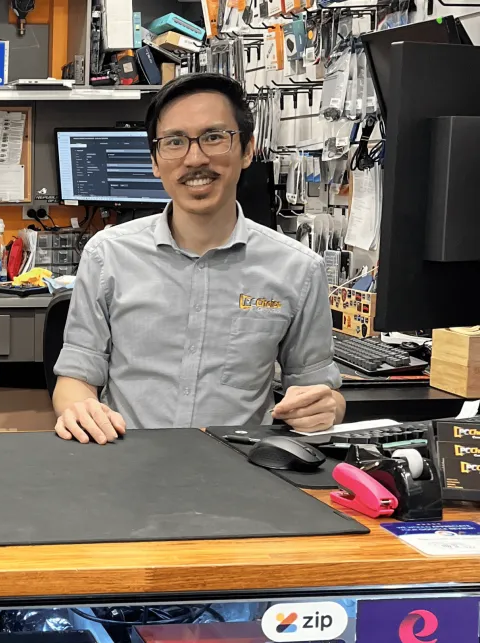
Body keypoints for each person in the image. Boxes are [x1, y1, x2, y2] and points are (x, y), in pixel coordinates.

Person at [53, 73, 344, 445]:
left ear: (247, 150)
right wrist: (79, 407)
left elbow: (318, 389)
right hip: (127, 460)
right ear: (155, 161)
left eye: (214, 137)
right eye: (174, 141)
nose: (195, 159)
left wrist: (328, 407)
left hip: (239, 464)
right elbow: (75, 378)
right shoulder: (107, 255)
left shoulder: (299, 269)